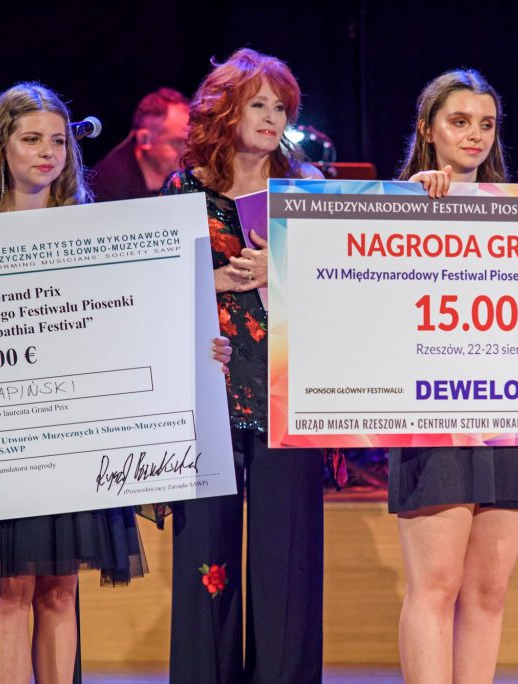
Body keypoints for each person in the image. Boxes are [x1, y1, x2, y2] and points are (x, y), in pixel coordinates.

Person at [0, 82, 231, 684]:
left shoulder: (94, 234)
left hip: (74, 437)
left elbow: (134, 323)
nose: (48, 152)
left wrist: (197, 349)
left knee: (61, 591)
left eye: (58, 141)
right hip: (0, 441)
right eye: (31, 139)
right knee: (8, 592)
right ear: (1, 146)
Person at [391, 68, 518, 684]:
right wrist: (410, 204)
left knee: (488, 592)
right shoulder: (396, 207)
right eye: (459, 121)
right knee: (435, 586)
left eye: (486, 124)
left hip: (508, 419)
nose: (475, 135)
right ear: (428, 129)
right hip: (433, 416)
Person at [159, 48, 326, 684]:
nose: (271, 117)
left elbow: (350, 287)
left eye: (281, 107)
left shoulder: (306, 188)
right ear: (225, 110)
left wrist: (278, 272)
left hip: (288, 394)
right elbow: (148, 292)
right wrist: (218, 280)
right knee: (207, 563)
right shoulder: (183, 190)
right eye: (258, 104)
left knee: (288, 567)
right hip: (210, 391)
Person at [89, 87, 189, 201]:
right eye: (177, 143)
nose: (186, 153)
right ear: (144, 139)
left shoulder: (179, 176)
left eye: (189, 142)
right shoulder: (109, 186)